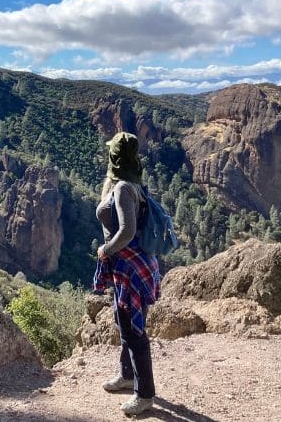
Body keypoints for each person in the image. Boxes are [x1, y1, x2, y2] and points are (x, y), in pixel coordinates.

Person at [93, 131, 161, 416]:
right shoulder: (135, 183)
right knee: (124, 323)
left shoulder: (122, 188)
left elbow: (128, 231)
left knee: (134, 332)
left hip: (130, 268)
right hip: (136, 266)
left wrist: (106, 250)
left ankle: (144, 395)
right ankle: (126, 375)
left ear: (115, 157)